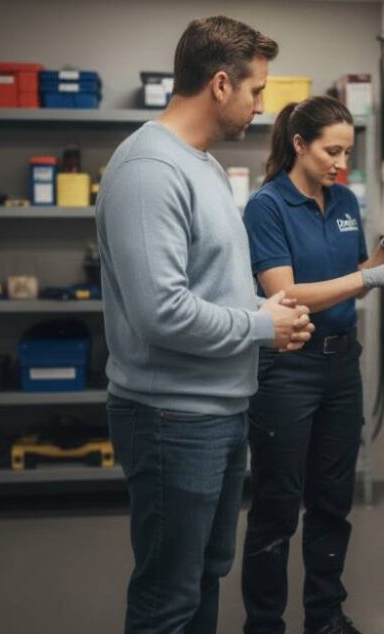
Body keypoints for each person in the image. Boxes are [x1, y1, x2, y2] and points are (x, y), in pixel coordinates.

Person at [96, 16, 315, 634]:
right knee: (169, 596)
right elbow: (160, 312)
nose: (261, 105)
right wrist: (257, 327)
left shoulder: (206, 167)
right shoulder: (148, 171)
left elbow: (213, 284)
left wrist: (269, 317)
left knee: (204, 576)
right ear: (221, 84)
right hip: (170, 418)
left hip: (217, 411)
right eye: (256, 90)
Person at [241, 96, 384, 634]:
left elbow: (355, 272)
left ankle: (325, 618)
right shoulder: (267, 206)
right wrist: (368, 279)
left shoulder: (344, 200)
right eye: (331, 150)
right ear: (299, 144)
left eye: (346, 151)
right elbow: (288, 294)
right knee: (277, 508)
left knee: (331, 502)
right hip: (288, 367)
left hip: (342, 367)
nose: (339, 162)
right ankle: (264, 626)